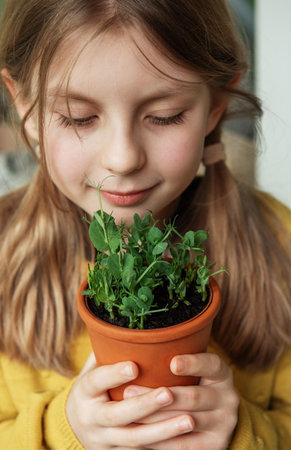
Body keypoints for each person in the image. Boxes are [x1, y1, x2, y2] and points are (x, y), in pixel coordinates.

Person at [0, 0, 290, 448]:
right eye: (79, 118)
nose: (123, 157)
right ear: (26, 107)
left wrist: (243, 434)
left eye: (165, 114)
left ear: (215, 104)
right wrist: (61, 432)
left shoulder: (280, 242)